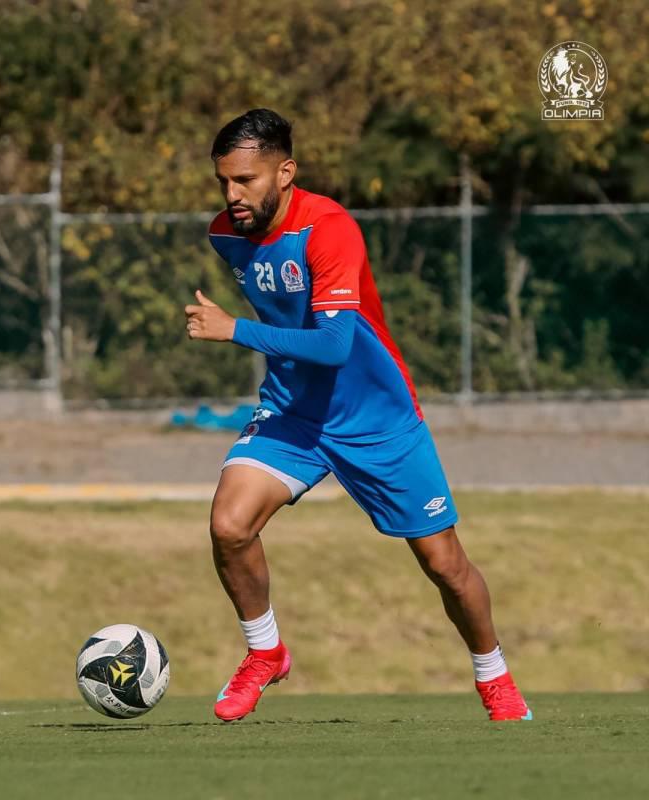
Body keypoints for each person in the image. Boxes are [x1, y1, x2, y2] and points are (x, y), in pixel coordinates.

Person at [185, 109, 531, 723]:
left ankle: (494, 677)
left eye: (246, 180)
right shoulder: (226, 235)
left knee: (445, 565)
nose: (232, 196)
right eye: (224, 182)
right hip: (293, 414)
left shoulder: (330, 229)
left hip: (375, 417)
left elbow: (336, 344)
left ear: (286, 172)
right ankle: (265, 652)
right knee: (229, 525)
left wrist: (233, 330)